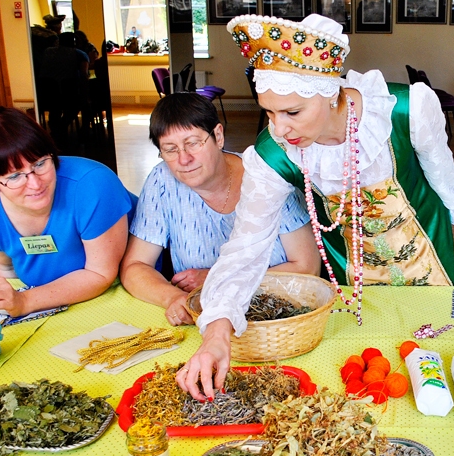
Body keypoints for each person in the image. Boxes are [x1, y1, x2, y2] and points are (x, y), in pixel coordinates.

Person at [178, 13, 454, 399]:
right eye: (268, 112)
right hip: (350, 282)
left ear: (332, 95)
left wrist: (452, 212)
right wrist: (216, 331)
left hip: (430, 263)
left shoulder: (406, 109)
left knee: (438, 372)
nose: (279, 129)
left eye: (292, 112)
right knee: (367, 378)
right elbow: (247, 245)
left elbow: (444, 182)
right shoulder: (272, 154)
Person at [120, 93, 318, 326]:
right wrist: (173, 297)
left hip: (276, 320)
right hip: (202, 319)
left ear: (218, 136)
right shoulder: (162, 180)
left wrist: (218, 279)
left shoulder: (264, 177)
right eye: (170, 149)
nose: (184, 159)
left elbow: (307, 267)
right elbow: (135, 267)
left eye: (193, 143)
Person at [0, 107, 132, 316]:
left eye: (41, 163)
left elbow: (100, 274)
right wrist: (13, 301)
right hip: (45, 304)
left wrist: (25, 301)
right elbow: (7, 269)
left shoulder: (92, 185)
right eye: (15, 176)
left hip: (117, 293)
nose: (35, 184)